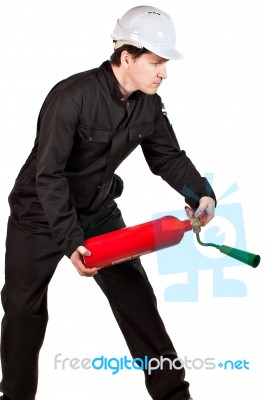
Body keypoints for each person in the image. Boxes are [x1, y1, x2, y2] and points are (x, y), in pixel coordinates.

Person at [0, 5, 216, 400]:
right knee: (22, 312)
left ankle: (174, 395)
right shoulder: (71, 97)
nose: (163, 73)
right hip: (38, 215)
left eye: (165, 64)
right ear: (127, 57)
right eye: (156, 62)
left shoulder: (148, 103)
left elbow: (167, 156)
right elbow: (47, 176)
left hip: (97, 212)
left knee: (135, 296)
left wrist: (201, 192)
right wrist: (70, 242)